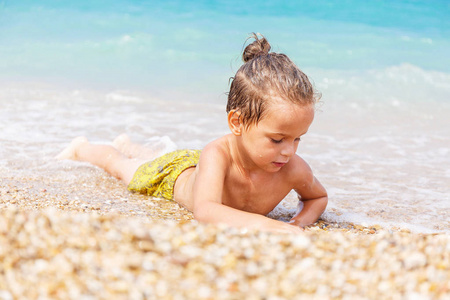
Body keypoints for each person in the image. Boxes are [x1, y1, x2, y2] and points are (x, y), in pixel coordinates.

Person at [57, 33, 328, 234]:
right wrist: (273, 227)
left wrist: (297, 222)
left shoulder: (292, 168)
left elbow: (317, 197)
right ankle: (84, 148)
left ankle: (133, 145)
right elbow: (206, 210)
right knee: (122, 167)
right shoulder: (217, 155)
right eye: (277, 139)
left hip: (195, 166)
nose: (289, 150)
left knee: (154, 156)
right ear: (237, 122)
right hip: (170, 175)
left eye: (297, 139)